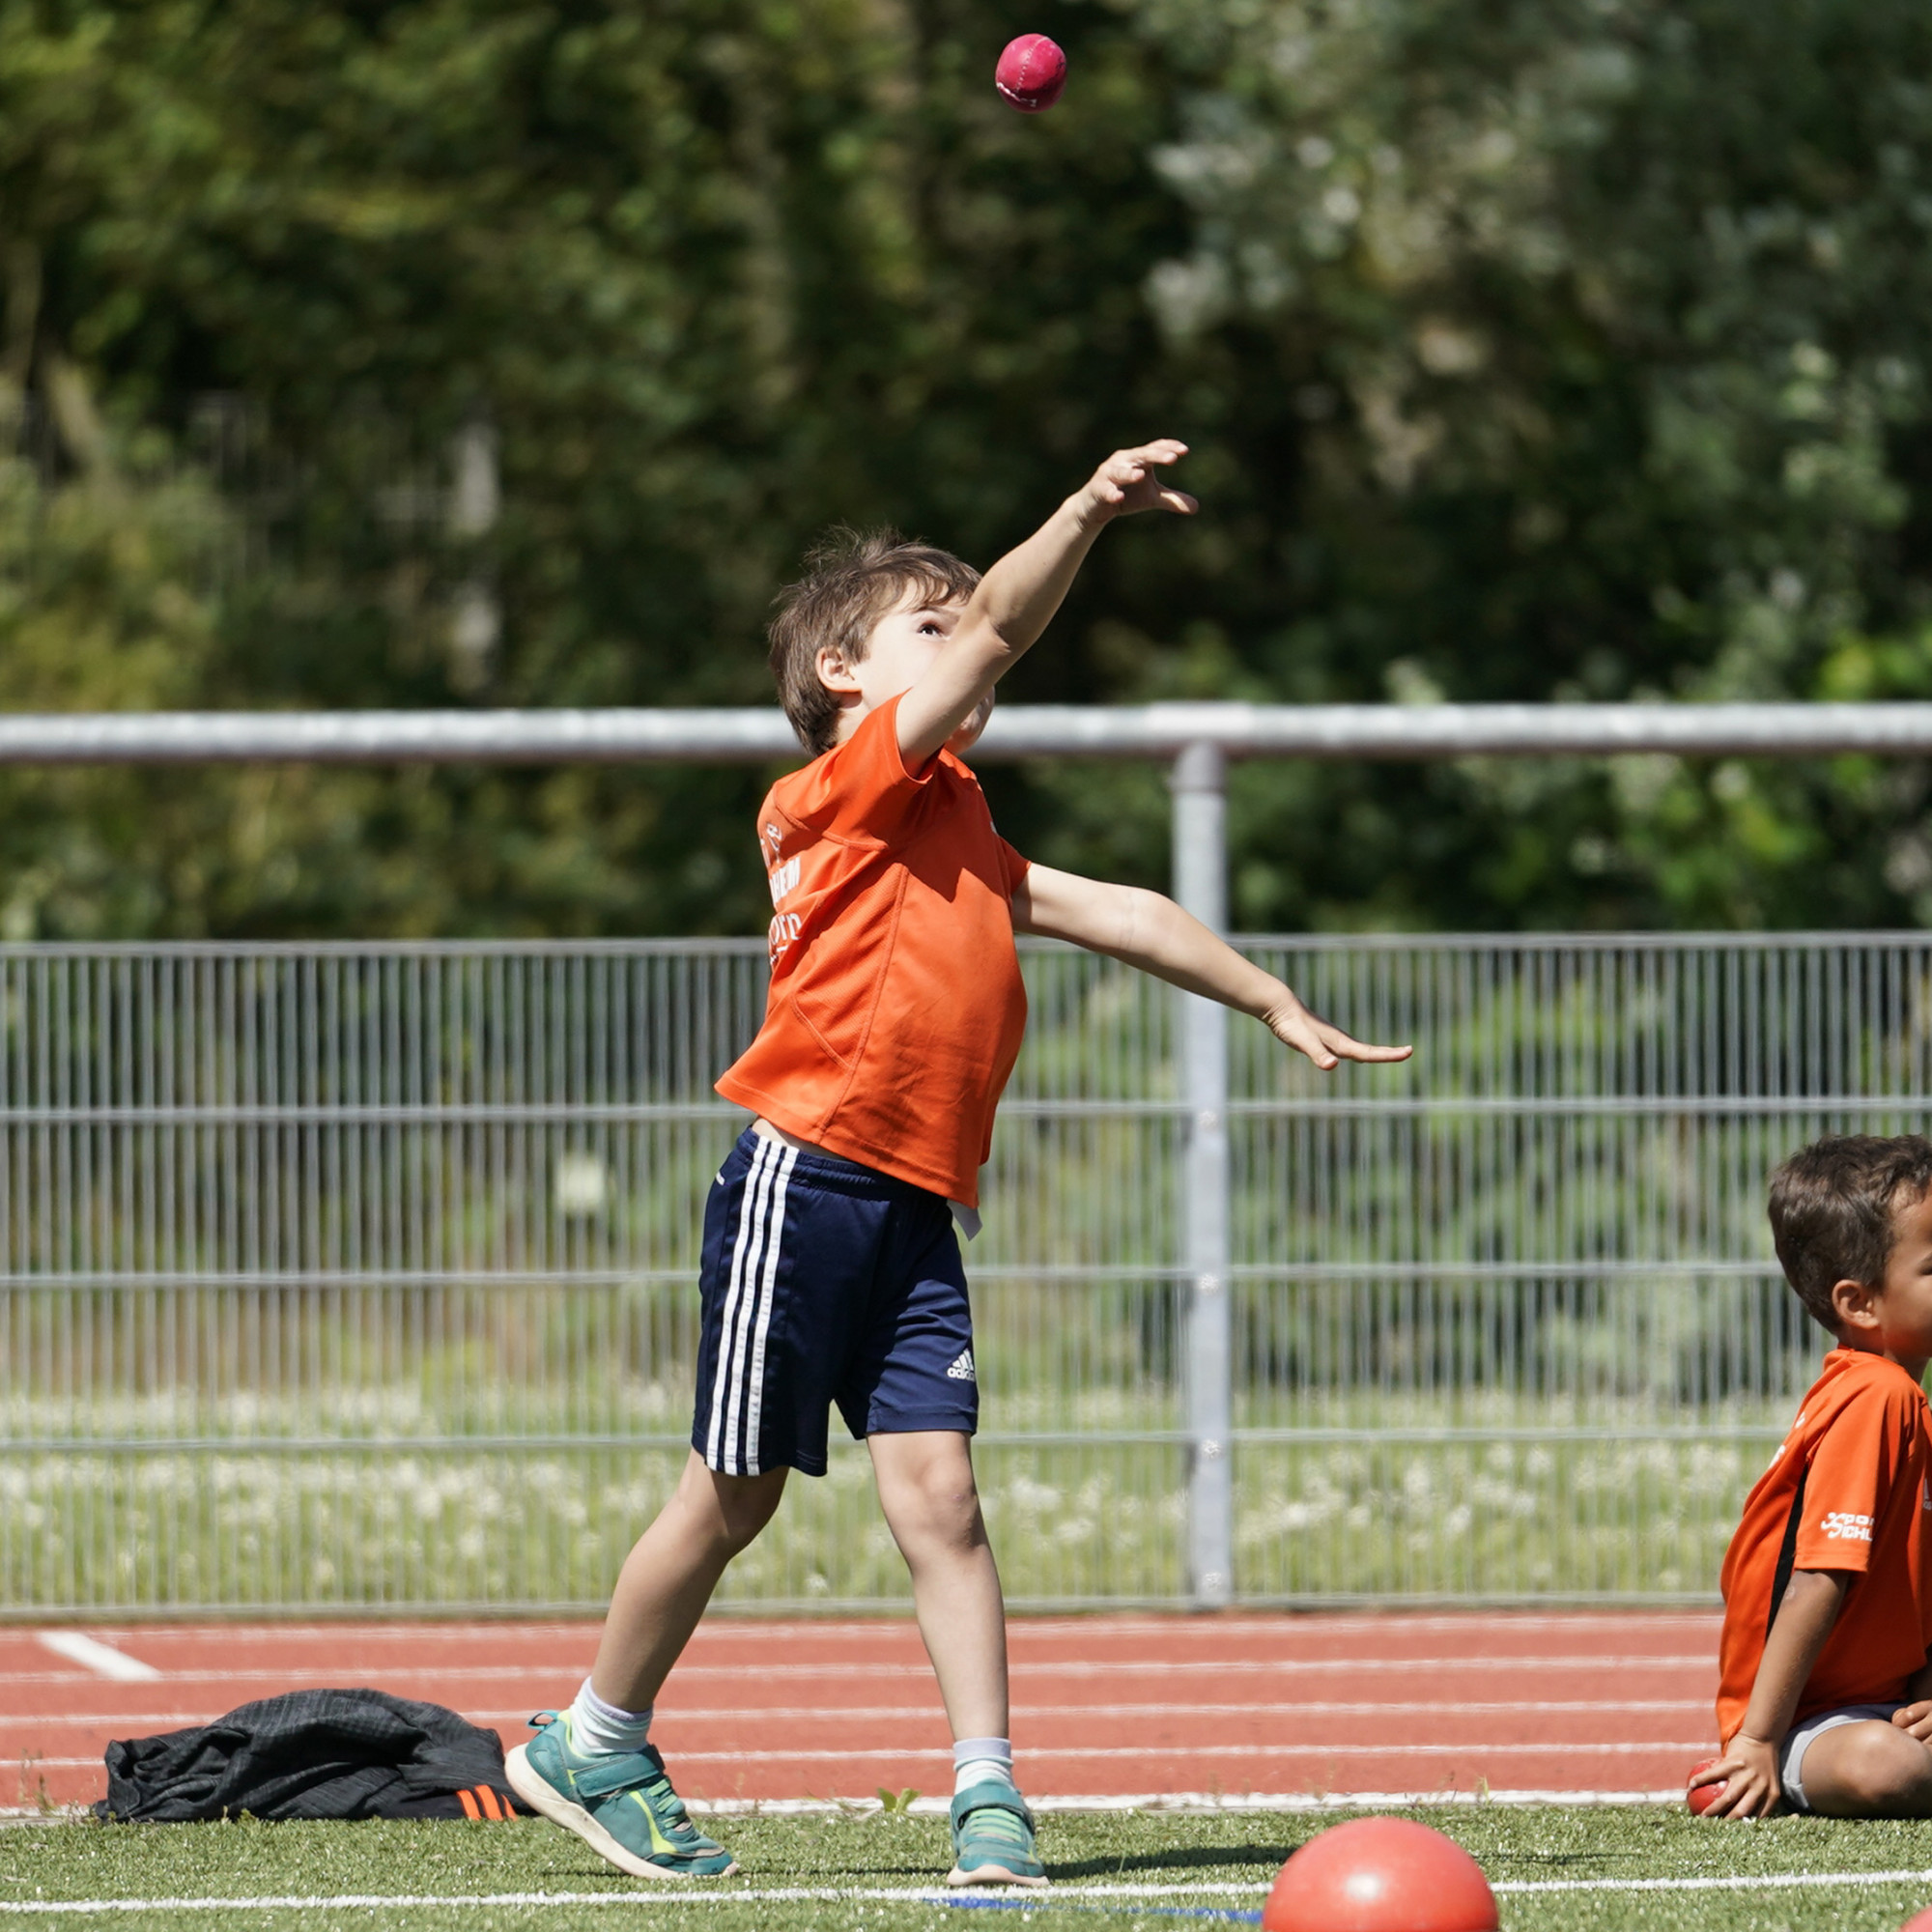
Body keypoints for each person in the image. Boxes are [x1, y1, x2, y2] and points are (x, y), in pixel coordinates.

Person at [505, 440, 1412, 1884]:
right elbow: (998, 623)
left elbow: (1119, 908)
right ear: (849, 687)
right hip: (803, 1182)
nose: (964, 632)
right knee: (731, 1498)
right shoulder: (841, 793)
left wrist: (1268, 998)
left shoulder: (964, 829)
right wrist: (1084, 513)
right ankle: (593, 1739)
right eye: (922, 626)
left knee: (945, 1505)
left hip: (913, 1210)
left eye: (952, 619)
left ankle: (987, 1797)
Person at [1692, 1134, 1932, 1819]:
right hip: (1811, 1720)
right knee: (1886, 1767)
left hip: (1891, 1703)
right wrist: (1759, 1740)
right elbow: (1816, 1577)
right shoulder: (1876, 1398)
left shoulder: (1907, 1403)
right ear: (1860, 1304)